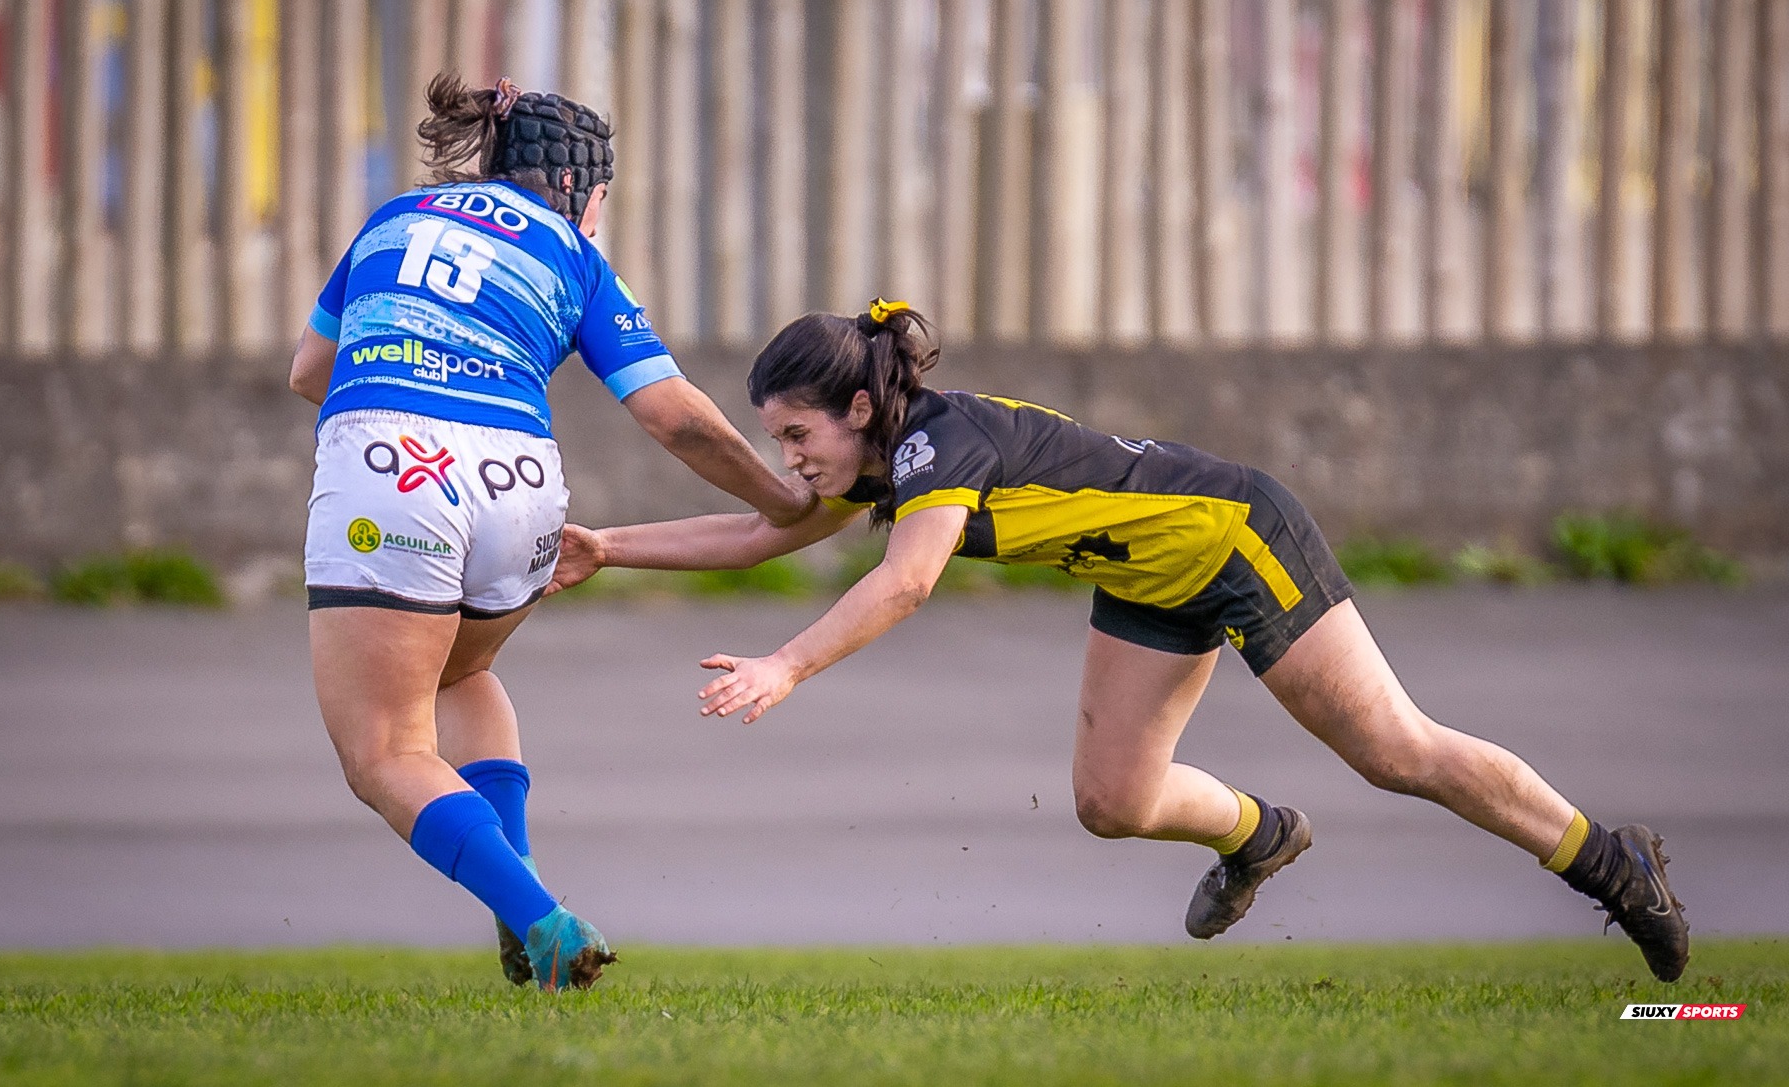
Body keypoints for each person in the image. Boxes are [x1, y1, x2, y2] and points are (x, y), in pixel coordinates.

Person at [545, 300, 1691, 983]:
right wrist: (609, 546)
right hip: (1149, 580)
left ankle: (1606, 857)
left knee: (1394, 748)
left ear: (855, 409)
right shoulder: (887, 454)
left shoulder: (940, 444)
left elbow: (906, 584)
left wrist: (785, 663)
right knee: (1111, 797)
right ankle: (1262, 833)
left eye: (796, 434)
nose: (789, 458)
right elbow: (762, 530)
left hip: (1236, 534)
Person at [287, 73, 814, 991]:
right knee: (464, 670)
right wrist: (779, 499)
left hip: (392, 467)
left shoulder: (393, 218)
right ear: (582, 188)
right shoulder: (573, 253)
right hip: (524, 483)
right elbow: (673, 415)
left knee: (385, 752)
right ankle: (518, 909)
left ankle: (540, 917)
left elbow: (308, 372)